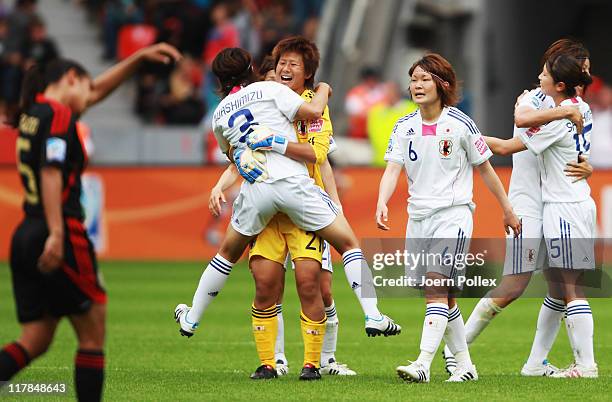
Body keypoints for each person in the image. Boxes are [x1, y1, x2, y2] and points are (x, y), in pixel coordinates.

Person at [174, 48, 400, 367]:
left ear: (219, 81)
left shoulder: (218, 114)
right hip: (292, 183)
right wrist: (324, 89)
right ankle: (373, 314)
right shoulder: (271, 90)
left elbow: (234, 155)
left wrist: (232, 169)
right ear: (252, 68)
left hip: (256, 191)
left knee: (226, 255)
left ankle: (192, 318)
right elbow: (312, 112)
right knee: (348, 244)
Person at [0, 43, 181, 401]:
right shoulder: (59, 116)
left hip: (24, 233)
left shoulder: (32, 113)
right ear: (70, 78)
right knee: (93, 329)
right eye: (85, 87)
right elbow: (51, 172)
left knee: (35, 339)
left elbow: (93, 91)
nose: (91, 96)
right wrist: (56, 232)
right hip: (58, 230)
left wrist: (138, 59)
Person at [441, 39, 594, 377]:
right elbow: (519, 124)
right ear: (559, 69)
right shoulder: (535, 99)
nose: (586, 73)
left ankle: (536, 363)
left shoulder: (573, 106)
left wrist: (589, 165)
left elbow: (573, 147)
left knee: (560, 285)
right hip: (529, 202)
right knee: (514, 285)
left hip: (557, 203)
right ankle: (458, 349)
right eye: (581, 66)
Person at [209, 37, 356, 380]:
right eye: (277, 68)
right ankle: (275, 359)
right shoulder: (265, 103)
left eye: (291, 66)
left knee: (319, 286)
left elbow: (323, 159)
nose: (282, 73)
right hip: (271, 210)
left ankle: (327, 359)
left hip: (307, 204)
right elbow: (241, 155)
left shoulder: (311, 107)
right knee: (267, 284)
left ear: (306, 73)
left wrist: (335, 203)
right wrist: (219, 184)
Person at [376, 53, 521, 383]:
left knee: (435, 287)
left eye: (425, 79)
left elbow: (485, 169)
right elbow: (392, 169)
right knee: (446, 296)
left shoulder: (460, 124)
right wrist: (382, 201)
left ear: (442, 84)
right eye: (413, 79)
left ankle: (423, 364)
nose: (417, 85)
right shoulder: (404, 125)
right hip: (418, 218)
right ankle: (465, 366)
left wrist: (507, 209)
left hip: (453, 216)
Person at [483, 53, 596, 378]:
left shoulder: (559, 118)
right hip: (576, 202)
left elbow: (507, 146)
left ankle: (586, 366)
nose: (539, 77)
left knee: (571, 288)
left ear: (559, 83)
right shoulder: (578, 109)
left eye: (544, 73)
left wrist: (466, 138)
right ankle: (536, 364)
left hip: (563, 207)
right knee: (559, 289)